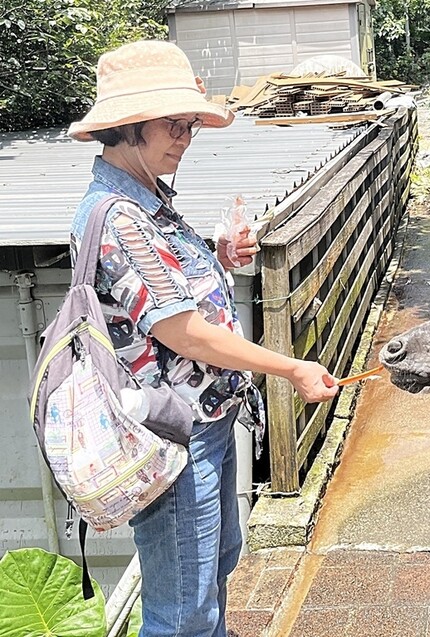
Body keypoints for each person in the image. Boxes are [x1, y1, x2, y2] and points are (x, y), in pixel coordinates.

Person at [66, 40, 339, 637]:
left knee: (211, 575)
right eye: (172, 124)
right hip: (175, 439)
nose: (185, 137)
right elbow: (183, 333)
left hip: (203, 425)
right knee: (182, 611)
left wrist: (215, 260)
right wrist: (289, 368)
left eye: (189, 124)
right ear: (126, 125)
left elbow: (158, 300)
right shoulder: (119, 215)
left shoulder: (148, 203)